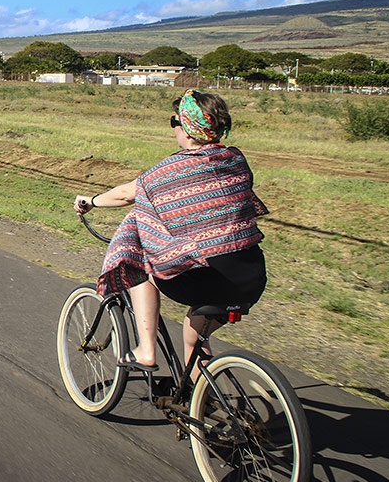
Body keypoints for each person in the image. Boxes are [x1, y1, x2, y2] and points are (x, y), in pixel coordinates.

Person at [75, 89, 268, 374]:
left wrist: (90, 202)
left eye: (175, 122)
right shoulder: (235, 159)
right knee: (194, 340)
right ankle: (201, 401)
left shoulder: (170, 170)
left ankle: (145, 351)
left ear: (188, 130)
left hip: (210, 278)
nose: (174, 128)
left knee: (142, 268)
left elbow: (128, 194)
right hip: (250, 276)